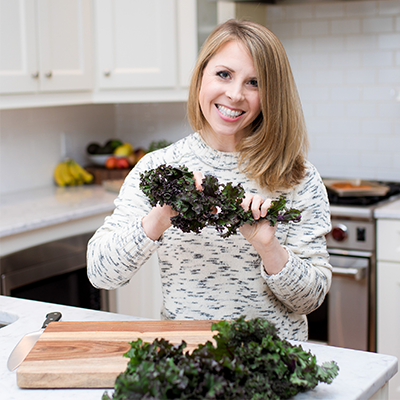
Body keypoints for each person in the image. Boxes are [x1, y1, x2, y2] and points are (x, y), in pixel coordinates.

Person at [87, 19, 332, 341]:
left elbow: (310, 299)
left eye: (254, 83)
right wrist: (159, 218)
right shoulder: (160, 167)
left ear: (272, 95)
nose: (235, 94)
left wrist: (269, 248)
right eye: (224, 74)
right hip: (186, 360)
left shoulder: (297, 176)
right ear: (201, 75)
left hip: (272, 366)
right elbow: (102, 273)